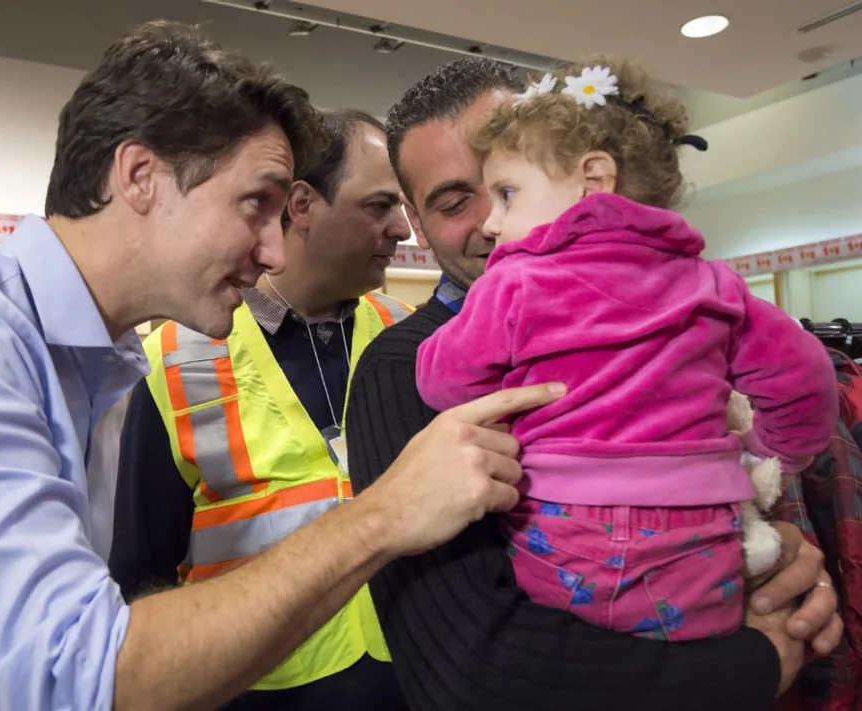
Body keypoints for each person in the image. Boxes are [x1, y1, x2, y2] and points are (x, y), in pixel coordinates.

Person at [0, 24, 562, 710]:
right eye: (256, 204)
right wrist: (384, 514)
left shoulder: (93, 363)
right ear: (140, 177)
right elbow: (76, 678)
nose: (275, 251)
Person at [345, 56, 844, 710]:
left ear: (588, 173)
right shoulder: (396, 368)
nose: (493, 222)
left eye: (507, 187)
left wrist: (784, 568)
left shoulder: (699, 308)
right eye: (457, 200)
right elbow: (469, 673)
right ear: (415, 215)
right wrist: (751, 662)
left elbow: (782, 470)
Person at [109, 108, 413, 710]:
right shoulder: (175, 363)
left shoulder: (408, 341)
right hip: (252, 690)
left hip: (409, 680)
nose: (404, 229)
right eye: (379, 206)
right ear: (302, 205)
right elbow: (140, 581)